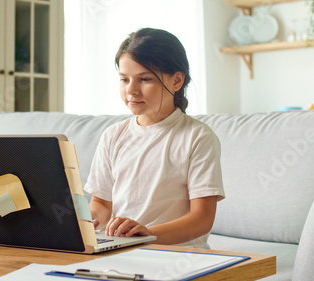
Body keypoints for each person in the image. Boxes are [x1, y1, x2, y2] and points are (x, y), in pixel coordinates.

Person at [84, 28, 224, 248]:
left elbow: (202, 219)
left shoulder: (198, 137)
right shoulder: (113, 135)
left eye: (145, 79)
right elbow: (101, 203)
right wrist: (85, 221)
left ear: (176, 81)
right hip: (123, 251)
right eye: (124, 79)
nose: (131, 90)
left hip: (179, 256)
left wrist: (147, 234)